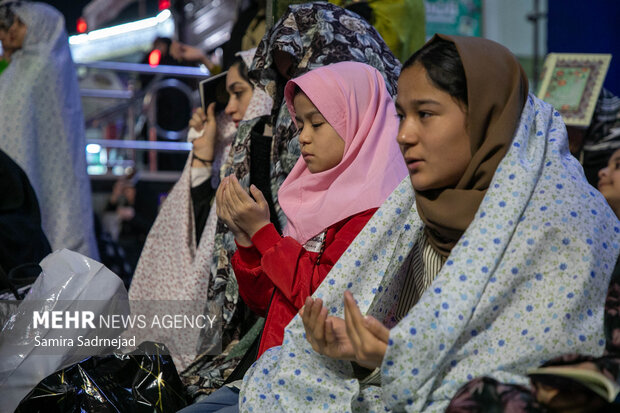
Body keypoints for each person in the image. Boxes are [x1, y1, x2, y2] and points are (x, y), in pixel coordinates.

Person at [239, 35, 619, 412]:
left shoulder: (561, 220)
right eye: (402, 115)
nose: (404, 135)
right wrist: (360, 352)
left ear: (485, 113)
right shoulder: (416, 209)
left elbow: (534, 374)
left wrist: (392, 356)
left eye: (426, 114)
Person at [206, 0, 401, 380]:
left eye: (318, 123)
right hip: (276, 371)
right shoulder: (309, 193)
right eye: (301, 124)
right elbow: (268, 301)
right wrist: (248, 241)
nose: (303, 138)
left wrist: (264, 234)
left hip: (311, 381)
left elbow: (322, 298)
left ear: (356, 118)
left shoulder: (374, 207)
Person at [127, 49, 272, 372]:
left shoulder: (268, 155)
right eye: (228, 96)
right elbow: (201, 230)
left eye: (239, 94)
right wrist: (204, 158)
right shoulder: (229, 147)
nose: (231, 108)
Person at [0, 2, 98, 259]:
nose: (11, 31)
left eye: (20, 24)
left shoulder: (41, 66)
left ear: (40, 27)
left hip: (37, 172)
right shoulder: (26, 66)